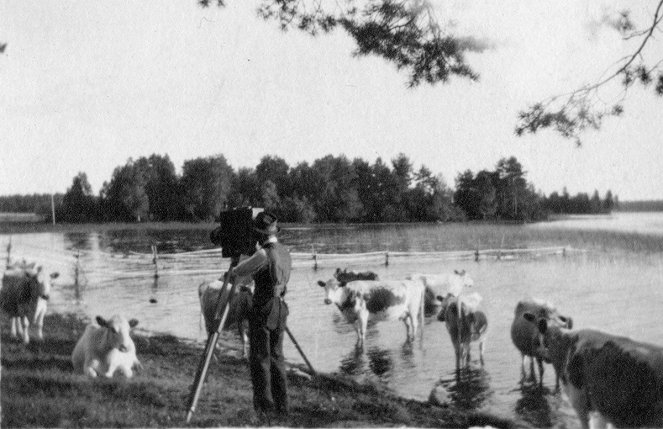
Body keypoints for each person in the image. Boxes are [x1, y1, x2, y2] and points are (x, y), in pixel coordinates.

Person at [228, 211, 292, 420]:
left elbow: (239, 271)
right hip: (280, 306)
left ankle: (265, 409)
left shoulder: (263, 254)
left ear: (260, 235)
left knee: (259, 359)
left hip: (263, 306)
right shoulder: (284, 251)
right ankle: (283, 407)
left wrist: (240, 260)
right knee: (277, 358)